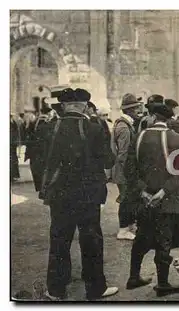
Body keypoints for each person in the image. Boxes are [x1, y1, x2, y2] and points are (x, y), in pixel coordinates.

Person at [40, 88, 117, 300]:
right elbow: (108, 161)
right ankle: (95, 289)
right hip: (88, 194)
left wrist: (44, 187)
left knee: (59, 240)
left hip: (59, 194)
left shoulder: (50, 128)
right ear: (84, 106)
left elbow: (39, 162)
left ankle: (56, 290)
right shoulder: (94, 127)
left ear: (63, 106)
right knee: (91, 240)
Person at [124, 102, 179, 296]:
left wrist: (143, 191)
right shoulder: (177, 139)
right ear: (167, 119)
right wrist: (164, 192)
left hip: (144, 199)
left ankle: (133, 277)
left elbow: (129, 169)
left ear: (152, 117)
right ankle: (162, 284)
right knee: (164, 241)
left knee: (142, 237)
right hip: (167, 199)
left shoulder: (138, 137)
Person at [112, 93, 144, 240]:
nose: (139, 111)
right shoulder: (124, 127)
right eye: (137, 108)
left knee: (129, 198)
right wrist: (129, 173)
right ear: (130, 110)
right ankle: (123, 229)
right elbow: (123, 154)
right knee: (126, 199)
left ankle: (129, 225)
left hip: (123, 170)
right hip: (123, 171)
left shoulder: (124, 124)